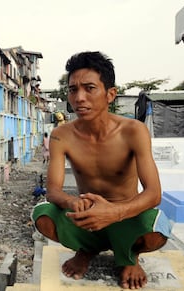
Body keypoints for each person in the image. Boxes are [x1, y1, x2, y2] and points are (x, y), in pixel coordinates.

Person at [31, 51, 171, 290]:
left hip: (125, 217)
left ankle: (128, 256)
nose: (79, 98)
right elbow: (53, 191)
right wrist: (72, 202)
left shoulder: (133, 131)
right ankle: (86, 250)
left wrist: (115, 212)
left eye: (89, 88)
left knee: (158, 228)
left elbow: (153, 193)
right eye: (73, 89)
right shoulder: (61, 135)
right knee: (42, 216)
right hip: (86, 217)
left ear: (110, 94)